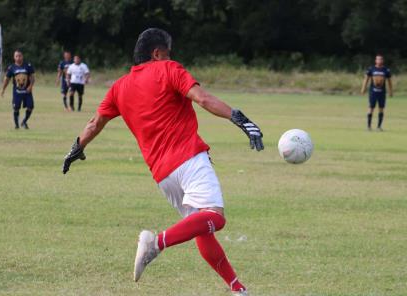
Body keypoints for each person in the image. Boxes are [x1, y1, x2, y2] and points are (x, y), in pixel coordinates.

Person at [62, 28, 263, 295]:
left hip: (163, 176)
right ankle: (156, 243)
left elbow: (95, 123)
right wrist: (240, 118)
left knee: (201, 229)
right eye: (168, 53)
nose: (171, 57)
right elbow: (202, 98)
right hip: (189, 159)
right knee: (214, 216)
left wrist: (77, 147)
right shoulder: (168, 69)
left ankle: (237, 288)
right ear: (157, 53)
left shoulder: (119, 87)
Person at [0, 50, 35, 129]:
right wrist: (3, 89)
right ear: (14, 57)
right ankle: (16, 125)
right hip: (17, 92)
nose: (18, 58)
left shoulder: (28, 66)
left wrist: (30, 86)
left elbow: (32, 77)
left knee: (30, 107)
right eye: (16, 56)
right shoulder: (11, 67)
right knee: (16, 108)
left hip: (27, 92)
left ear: (22, 56)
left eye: (20, 56)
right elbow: (7, 79)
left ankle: (24, 121)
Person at [361, 54, 393, 131]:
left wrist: (390, 91)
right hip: (373, 92)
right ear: (375, 60)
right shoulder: (371, 69)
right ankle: (368, 127)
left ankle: (379, 127)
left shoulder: (386, 70)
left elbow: (389, 81)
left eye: (381, 59)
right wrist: (363, 88)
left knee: (381, 108)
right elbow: (366, 79)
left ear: (383, 60)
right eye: (378, 59)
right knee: (371, 108)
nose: (379, 61)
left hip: (382, 93)